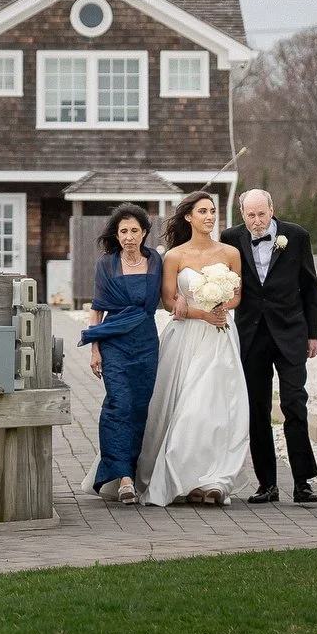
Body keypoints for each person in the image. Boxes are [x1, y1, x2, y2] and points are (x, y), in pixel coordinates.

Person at [137, 191, 257, 506]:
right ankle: (182, 477)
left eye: (212, 211)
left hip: (220, 336)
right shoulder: (174, 256)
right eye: (202, 211)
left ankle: (215, 479)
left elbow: (237, 295)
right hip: (186, 337)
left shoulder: (230, 252)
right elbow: (167, 301)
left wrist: (221, 305)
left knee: (217, 408)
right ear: (189, 216)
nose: (209, 216)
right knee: (187, 408)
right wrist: (198, 310)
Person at [221, 189, 317, 504]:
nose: (256, 222)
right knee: (257, 410)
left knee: (294, 404)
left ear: (271, 210)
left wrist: (314, 333)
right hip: (252, 335)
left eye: (261, 214)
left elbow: (311, 287)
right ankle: (267, 484)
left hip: (291, 332)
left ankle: (303, 483)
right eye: (250, 216)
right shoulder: (230, 238)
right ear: (242, 214)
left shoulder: (296, 236)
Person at [80, 204, 164, 504]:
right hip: (113, 341)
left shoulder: (155, 261)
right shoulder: (107, 264)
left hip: (146, 343)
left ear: (144, 233)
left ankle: (132, 469)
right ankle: (124, 478)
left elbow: (168, 296)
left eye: (134, 231)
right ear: (116, 235)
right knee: (119, 403)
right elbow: (97, 306)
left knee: (140, 407)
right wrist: (95, 349)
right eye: (123, 231)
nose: (129, 237)